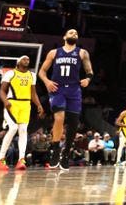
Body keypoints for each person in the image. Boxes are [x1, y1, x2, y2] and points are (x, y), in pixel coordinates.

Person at [38, 28, 94, 170]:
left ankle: (66, 153)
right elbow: (42, 71)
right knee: (59, 118)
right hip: (58, 89)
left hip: (74, 90)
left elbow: (90, 72)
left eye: (76, 33)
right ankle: (56, 149)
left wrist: (88, 79)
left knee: (74, 123)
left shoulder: (82, 52)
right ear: (64, 37)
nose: (74, 34)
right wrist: (47, 82)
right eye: (71, 32)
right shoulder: (54, 52)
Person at [0, 56, 44, 170]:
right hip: (12, 103)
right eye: (24, 59)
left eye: (28, 59)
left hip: (26, 105)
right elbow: (2, 90)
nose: (27, 60)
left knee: (23, 131)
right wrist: (5, 101)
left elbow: (33, 93)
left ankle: (21, 160)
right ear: (18, 62)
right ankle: (0, 159)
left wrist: (39, 105)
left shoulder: (32, 75)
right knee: (12, 128)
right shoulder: (10, 73)